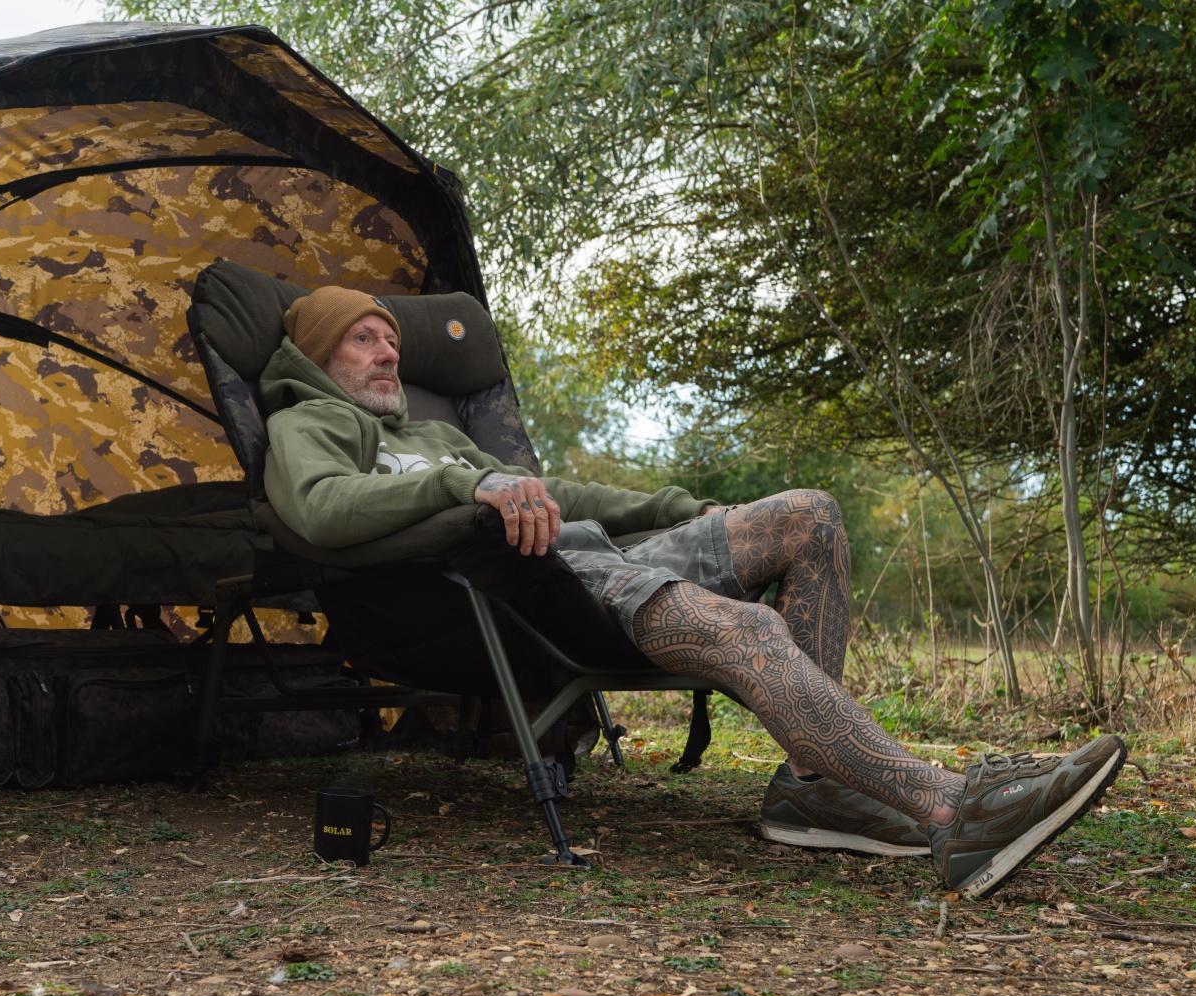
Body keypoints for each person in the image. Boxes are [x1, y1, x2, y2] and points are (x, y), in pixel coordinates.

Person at [259, 286, 1125, 899]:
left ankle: (812, 786)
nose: (389, 356)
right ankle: (947, 808)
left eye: (392, 343)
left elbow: (560, 496)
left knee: (807, 517)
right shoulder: (307, 425)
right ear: (315, 350)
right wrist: (467, 491)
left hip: (582, 551)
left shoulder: (431, 432)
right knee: (743, 629)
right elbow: (317, 513)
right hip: (527, 589)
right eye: (367, 340)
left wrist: (681, 509)